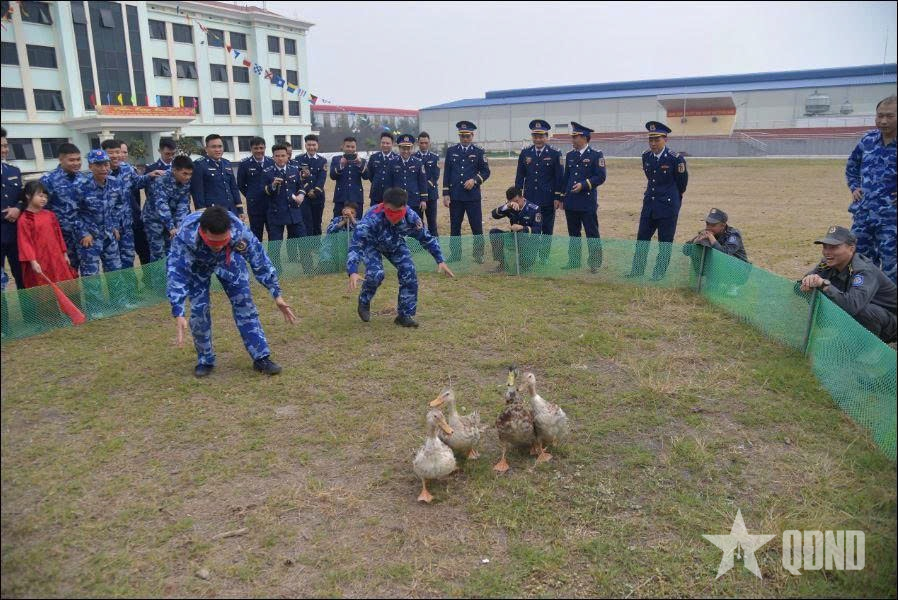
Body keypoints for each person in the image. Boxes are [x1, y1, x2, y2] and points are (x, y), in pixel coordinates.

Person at [167, 206, 297, 377]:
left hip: (229, 259)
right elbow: (176, 274)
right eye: (214, 243)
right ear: (203, 232)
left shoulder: (238, 230)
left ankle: (261, 357)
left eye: (223, 241)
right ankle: (205, 360)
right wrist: (179, 311)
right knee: (199, 312)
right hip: (197, 264)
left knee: (245, 304)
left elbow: (260, 261)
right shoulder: (185, 237)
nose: (218, 246)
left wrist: (276, 294)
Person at [347, 187, 455, 327]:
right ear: (384, 206)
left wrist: (440, 259)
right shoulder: (371, 218)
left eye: (399, 211)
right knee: (376, 274)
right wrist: (353, 270)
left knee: (409, 272)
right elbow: (356, 245)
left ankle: (404, 315)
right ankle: (364, 300)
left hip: (395, 244)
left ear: (404, 206)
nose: (395, 215)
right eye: (391, 211)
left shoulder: (411, 217)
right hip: (371, 245)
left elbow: (426, 238)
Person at [800, 225, 896, 343]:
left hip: (890, 321)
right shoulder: (828, 264)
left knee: (862, 310)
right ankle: (846, 339)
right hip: (874, 315)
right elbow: (798, 288)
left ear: (851, 249)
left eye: (834, 247)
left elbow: (852, 306)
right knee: (821, 294)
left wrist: (823, 284)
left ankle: (871, 349)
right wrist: (807, 282)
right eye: (825, 247)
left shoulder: (864, 271)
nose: (827, 252)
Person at [845, 95, 897, 284]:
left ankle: (891, 309)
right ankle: (863, 302)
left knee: (892, 265)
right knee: (859, 261)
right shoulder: (868, 140)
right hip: (864, 215)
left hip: (892, 220)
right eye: (880, 116)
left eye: (890, 116)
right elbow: (852, 166)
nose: (883, 121)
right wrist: (854, 186)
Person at [627, 121, 688, 281]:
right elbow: (651, 179)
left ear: (665, 139)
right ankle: (637, 270)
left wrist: (672, 201)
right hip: (649, 206)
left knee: (665, 242)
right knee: (642, 240)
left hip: (667, 207)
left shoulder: (676, 159)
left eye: (657, 140)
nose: (653, 144)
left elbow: (682, 185)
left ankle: (659, 272)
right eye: (651, 140)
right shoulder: (646, 156)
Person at [515, 119, 564, 263]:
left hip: (548, 199)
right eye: (535, 136)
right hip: (530, 199)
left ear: (546, 137)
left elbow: (559, 177)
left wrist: (557, 197)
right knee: (531, 228)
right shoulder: (525, 153)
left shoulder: (555, 153)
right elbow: (520, 176)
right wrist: (518, 196)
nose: (538, 139)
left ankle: (544, 257)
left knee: (547, 229)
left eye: (541, 136)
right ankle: (531, 254)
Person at [442, 120, 490, 263]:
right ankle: (455, 254)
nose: (465, 139)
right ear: (459, 136)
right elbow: (447, 173)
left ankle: (478, 254)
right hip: (456, 196)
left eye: (467, 136)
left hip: (472, 197)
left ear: (472, 136)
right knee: (455, 226)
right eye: (462, 136)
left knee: (476, 226)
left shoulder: (479, 152)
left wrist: (475, 180)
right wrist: (445, 193)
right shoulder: (451, 152)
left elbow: (486, 171)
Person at [561, 121, 606, 272]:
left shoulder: (596, 155)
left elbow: (600, 177)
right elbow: (566, 178)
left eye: (576, 137)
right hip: (571, 202)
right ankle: (574, 260)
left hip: (587, 203)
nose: (573, 140)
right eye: (572, 137)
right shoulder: (570, 155)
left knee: (592, 233)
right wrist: (562, 198)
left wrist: (584, 185)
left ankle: (594, 263)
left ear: (585, 138)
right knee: (573, 234)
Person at [16, 181, 77, 288]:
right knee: (45, 288)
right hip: (40, 259)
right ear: (28, 196)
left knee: (66, 284)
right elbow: (25, 242)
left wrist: (64, 253)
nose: (44, 199)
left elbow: (59, 236)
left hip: (56, 256)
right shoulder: (25, 219)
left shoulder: (50, 215)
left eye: (45, 196)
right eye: (40, 196)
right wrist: (33, 262)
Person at [263, 144, 309, 272]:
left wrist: (301, 195)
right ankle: (276, 270)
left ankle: (308, 268)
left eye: (283, 155)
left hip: (294, 211)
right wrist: (272, 186)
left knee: (303, 240)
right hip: (276, 212)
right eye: (277, 156)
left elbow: (300, 186)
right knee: (275, 244)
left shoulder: (294, 170)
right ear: (273, 157)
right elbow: (264, 191)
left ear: (288, 156)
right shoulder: (267, 172)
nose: (280, 158)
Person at [40, 142, 85, 271]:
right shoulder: (48, 180)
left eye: (78, 159)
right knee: (67, 269)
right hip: (61, 236)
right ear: (61, 159)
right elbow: (43, 209)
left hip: (83, 234)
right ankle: (71, 292)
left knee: (89, 270)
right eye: (71, 160)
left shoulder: (84, 178)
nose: (76, 163)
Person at [144, 155, 194, 262]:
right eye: (184, 173)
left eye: (190, 174)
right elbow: (161, 205)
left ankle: (170, 278)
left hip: (172, 223)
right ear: (175, 170)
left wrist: (179, 226)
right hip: (154, 221)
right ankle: (158, 279)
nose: (187, 177)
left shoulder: (186, 182)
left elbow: (183, 205)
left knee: (172, 251)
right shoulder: (161, 180)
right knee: (158, 254)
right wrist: (171, 227)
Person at [489, 186, 543, 273]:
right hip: (513, 237)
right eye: (512, 201)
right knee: (494, 232)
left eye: (517, 201)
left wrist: (522, 228)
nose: (515, 203)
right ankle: (502, 263)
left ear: (522, 197)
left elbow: (537, 230)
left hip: (528, 241)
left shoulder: (534, 209)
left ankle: (523, 263)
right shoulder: (510, 207)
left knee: (525, 265)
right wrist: (507, 206)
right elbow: (494, 215)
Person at [191, 134, 245, 218]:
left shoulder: (226, 163)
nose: (217, 150)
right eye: (214, 147)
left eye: (220, 146)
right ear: (206, 149)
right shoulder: (199, 165)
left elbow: (233, 187)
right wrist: (201, 212)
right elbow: (198, 191)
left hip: (231, 210)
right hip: (213, 212)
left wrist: (239, 208)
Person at [117, 140, 152, 266]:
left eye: (124, 152)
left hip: (134, 218)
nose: (121, 155)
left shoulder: (128, 169)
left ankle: (148, 283)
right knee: (122, 260)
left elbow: (139, 183)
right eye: (118, 152)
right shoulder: (104, 173)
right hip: (117, 225)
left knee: (144, 251)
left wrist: (150, 175)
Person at [236, 136, 274, 241]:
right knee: (256, 235)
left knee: (273, 234)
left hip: (271, 204)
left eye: (261, 148)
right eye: (256, 148)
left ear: (265, 148)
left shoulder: (271, 162)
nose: (259, 151)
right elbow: (240, 184)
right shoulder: (244, 164)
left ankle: (273, 257)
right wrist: (251, 195)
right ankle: (257, 257)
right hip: (255, 205)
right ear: (251, 149)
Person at [1, 127, 24, 290]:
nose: (4, 150)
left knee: (23, 276)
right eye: (1, 146)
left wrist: (18, 208)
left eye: (5, 145)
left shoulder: (13, 171)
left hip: (16, 234)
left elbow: (22, 197)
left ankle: (30, 314)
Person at [684, 208, 749, 262]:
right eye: (707, 224)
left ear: (723, 226)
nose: (708, 227)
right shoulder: (706, 233)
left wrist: (712, 239)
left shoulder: (734, 235)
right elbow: (685, 251)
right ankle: (701, 276)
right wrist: (695, 241)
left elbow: (725, 254)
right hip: (720, 269)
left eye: (713, 225)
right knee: (701, 243)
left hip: (740, 269)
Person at [295, 134, 328, 236]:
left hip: (318, 196)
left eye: (314, 144)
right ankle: (307, 249)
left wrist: (316, 191)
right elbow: (299, 178)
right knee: (306, 223)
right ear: (305, 145)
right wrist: (308, 190)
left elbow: (322, 178)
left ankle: (317, 248)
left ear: (317, 145)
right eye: (309, 145)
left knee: (317, 222)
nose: (311, 147)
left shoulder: (322, 160)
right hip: (304, 196)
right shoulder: (299, 159)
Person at [386, 134, 428, 212]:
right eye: (403, 148)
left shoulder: (418, 163)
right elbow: (388, 183)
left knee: (415, 223)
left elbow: (422, 182)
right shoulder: (392, 163)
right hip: (397, 202)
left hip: (414, 201)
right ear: (399, 148)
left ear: (412, 148)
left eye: (408, 148)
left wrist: (423, 200)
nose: (406, 151)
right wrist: (389, 200)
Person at [329, 137, 367, 218]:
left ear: (356, 147)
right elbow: (332, 176)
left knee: (356, 223)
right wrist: (341, 165)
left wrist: (360, 165)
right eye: (348, 146)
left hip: (356, 197)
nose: (350, 149)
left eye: (352, 147)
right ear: (343, 147)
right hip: (341, 197)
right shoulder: (336, 159)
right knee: (338, 222)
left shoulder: (361, 160)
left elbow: (366, 177)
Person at [414, 132, 441, 236]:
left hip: (431, 195)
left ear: (429, 143)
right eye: (421, 143)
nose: (424, 145)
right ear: (418, 143)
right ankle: (420, 245)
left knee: (432, 222)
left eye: (426, 143)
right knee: (418, 222)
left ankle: (435, 243)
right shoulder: (414, 157)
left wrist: (424, 188)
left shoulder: (434, 157)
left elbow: (435, 176)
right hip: (417, 196)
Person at [321, 202, 358, 272]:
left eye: (352, 213)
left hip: (351, 249)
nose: (348, 214)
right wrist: (343, 222)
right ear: (343, 211)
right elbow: (329, 231)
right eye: (347, 212)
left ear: (355, 214)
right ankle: (326, 263)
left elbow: (361, 231)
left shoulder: (357, 221)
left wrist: (352, 219)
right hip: (335, 249)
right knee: (327, 242)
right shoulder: (336, 220)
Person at [362, 132, 397, 206]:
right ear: (380, 143)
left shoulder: (397, 158)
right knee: (375, 217)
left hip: (391, 196)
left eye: (387, 143)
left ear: (392, 144)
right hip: (376, 195)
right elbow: (370, 175)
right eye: (383, 143)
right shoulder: (374, 157)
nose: (385, 145)